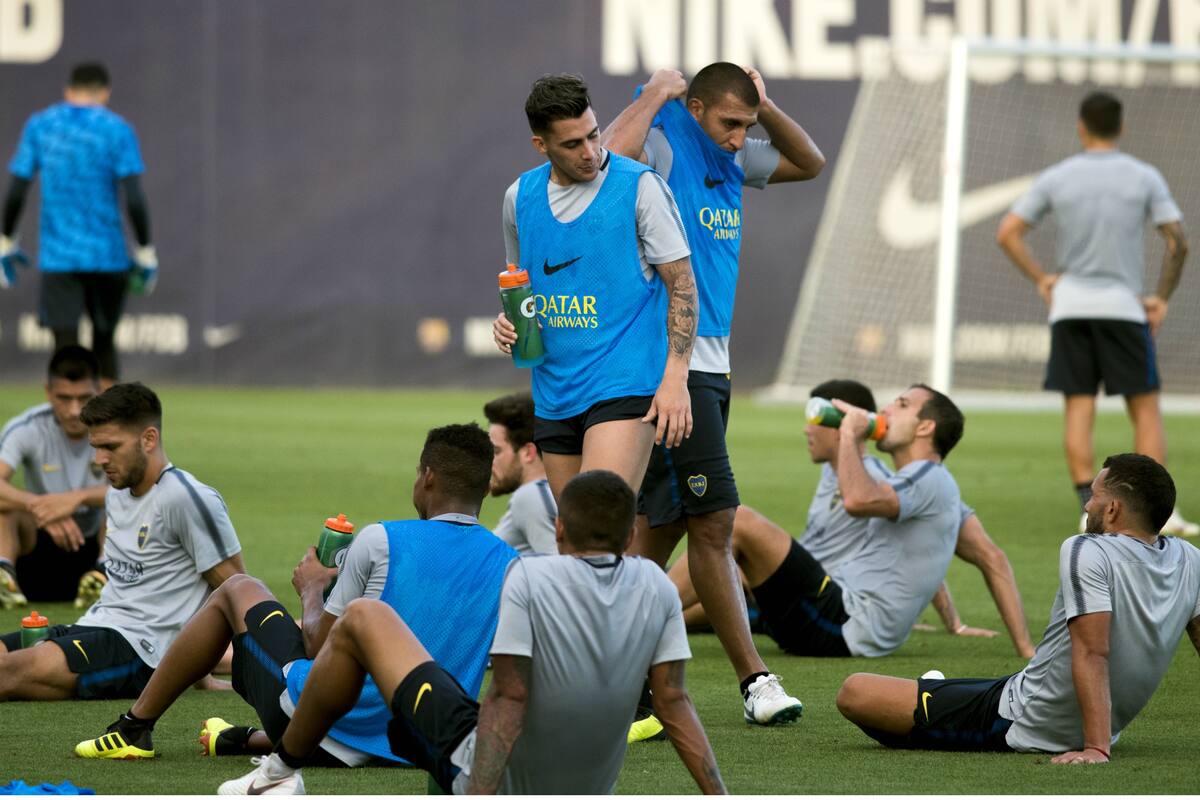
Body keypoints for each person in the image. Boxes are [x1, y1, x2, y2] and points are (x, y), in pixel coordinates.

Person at [216, 470, 725, 795]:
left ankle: (279, 772)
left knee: (363, 620)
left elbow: (509, 695)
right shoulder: (657, 586)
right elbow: (674, 701)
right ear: (631, 536)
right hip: (589, 786)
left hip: (495, 776)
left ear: (561, 532)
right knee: (423, 726)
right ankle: (280, 765)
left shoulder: (530, 577)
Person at [75, 423, 518, 766]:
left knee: (238, 588)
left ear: (428, 477)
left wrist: (311, 590)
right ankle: (242, 739)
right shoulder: (510, 563)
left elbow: (319, 647)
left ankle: (134, 728)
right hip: (417, 740)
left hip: (320, 724)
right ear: (483, 488)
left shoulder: (382, 539)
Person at [600, 62, 823, 722]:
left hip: (712, 364)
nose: (738, 138)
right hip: (674, 364)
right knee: (717, 520)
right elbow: (609, 156)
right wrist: (657, 92)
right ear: (694, 106)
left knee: (653, 535)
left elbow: (808, 161)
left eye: (745, 126)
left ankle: (606, 675)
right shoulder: (665, 135)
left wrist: (767, 106)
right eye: (729, 123)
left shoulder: (736, 157)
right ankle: (755, 682)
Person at [836, 454, 1200, 764]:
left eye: (1093, 496)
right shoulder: (1190, 558)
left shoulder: (1087, 549)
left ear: (1113, 508)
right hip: (1051, 704)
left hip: (1022, 719)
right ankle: (936, 690)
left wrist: (1095, 748)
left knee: (856, 692)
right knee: (958, 690)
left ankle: (934, 696)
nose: (1087, 505)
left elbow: (1092, 651)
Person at [669, 380, 1035, 659]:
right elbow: (981, 557)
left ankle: (636, 615)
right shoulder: (922, 489)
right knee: (731, 567)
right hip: (835, 617)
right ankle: (654, 622)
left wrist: (848, 433)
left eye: (902, 404)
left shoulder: (931, 479)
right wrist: (1024, 650)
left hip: (845, 622)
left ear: (925, 428)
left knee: (740, 522)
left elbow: (858, 500)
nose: (888, 409)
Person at [490, 73, 698, 504]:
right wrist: (507, 323)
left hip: (625, 386)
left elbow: (682, 286)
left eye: (594, 135)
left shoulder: (640, 186)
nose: (590, 153)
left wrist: (675, 379)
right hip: (553, 393)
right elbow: (520, 287)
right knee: (572, 537)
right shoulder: (519, 197)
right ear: (540, 145)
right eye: (572, 144)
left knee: (598, 523)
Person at [996, 91, 1195, 536]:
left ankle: (1087, 507)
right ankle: (1156, 511)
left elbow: (1008, 232)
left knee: (1079, 409)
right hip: (1124, 309)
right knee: (1144, 409)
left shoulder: (1058, 176)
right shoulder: (1144, 176)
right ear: (1121, 127)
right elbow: (1178, 240)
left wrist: (1043, 279)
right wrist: (1160, 297)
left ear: (1081, 127)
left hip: (1070, 310)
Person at [0, 382, 244, 702]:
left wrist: (204, 668)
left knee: (5, 672)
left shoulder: (185, 497)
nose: (99, 460)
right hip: (95, 626)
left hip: (141, 654)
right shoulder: (116, 493)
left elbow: (237, 590)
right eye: (96, 447)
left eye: (111, 447)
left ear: (149, 439)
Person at [1, 62, 158, 384]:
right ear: (105, 93)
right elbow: (135, 198)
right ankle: (113, 430)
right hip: (108, 256)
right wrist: (144, 249)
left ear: (68, 90)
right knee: (104, 344)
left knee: (65, 350)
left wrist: (5, 238)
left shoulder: (41, 125)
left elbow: (17, 190)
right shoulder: (117, 129)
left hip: (60, 257)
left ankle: (68, 431)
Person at [0, 346, 108, 609]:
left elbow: (145, 489)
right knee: (5, 510)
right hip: (39, 543)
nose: (74, 410)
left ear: (99, 391)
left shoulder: (115, 429)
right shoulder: (27, 427)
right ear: (48, 392)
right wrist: (42, 508)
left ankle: (105, 577)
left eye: (84, 398)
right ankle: (4, 576)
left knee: (123, 507)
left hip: (97, 543)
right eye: (64, 398)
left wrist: (77, 498)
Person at [484, 392, 556, 555]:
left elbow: (562, 571)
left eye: (496, 451)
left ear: (528, 453)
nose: (489, 461)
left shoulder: (531, 496)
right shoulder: (547, 493)